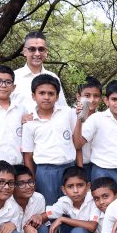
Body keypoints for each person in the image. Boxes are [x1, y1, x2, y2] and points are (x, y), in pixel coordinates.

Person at [21, 74, 77, 205]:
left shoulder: (67, 113)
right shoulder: (29, 123)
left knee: (72, 206)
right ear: (33, 96)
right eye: (42, 93)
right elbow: (28, 156)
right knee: (49, 207)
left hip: (69, 168)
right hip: (45, 172)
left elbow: (77, 140)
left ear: (57, 97)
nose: (46, 97)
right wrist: (32, 180)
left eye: (51, 93)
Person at [73, 80, 117, 182]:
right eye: (114, 99)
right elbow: (78, 145)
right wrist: (79, 118)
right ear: (106, 100)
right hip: (100, 170)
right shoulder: (96, 118)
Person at [12, 31, 67, 111]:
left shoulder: (53, 77)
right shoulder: (13, 78)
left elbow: (62, 108)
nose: (37, 53)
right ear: (24, 51)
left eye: (41, 49)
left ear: (46, 52)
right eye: (32, 49)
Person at [75, 76, 103, 181]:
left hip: (98, 165)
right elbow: (77, 146)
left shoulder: (103, 117)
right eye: (87, 95)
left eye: (96, 96)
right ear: (78, 97)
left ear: (101, 98)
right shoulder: (71, 116)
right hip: (78, 166)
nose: (92, 100)